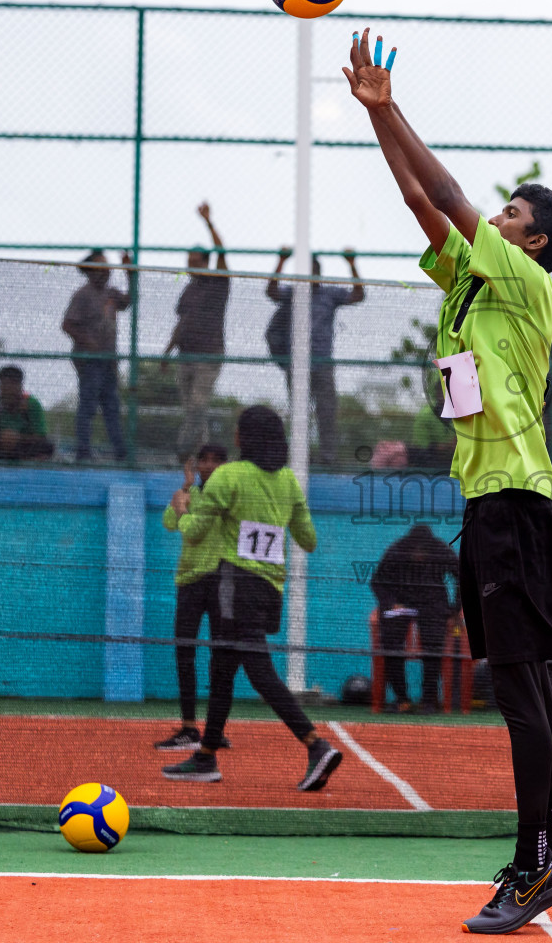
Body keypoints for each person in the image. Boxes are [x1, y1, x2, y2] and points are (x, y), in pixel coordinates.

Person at [345, 27, 552, 931]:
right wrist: (377, 118)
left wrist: (394, 106)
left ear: (536, 241)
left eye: (513, 212)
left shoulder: (526, 283)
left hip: (516, 501)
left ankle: (536, 865)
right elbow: (421, 199)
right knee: (516, 683)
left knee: (519, 686)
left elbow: (446, 193)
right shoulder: (472, 284)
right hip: (491, 503)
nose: (499, 216)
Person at [161, 407, 341, 790]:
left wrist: (181, 510)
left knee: (259, 672)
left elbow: (193, 533)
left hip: (233, 586)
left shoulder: (229, 476)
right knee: (222, 670)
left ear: (242, 438)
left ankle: (315, 744)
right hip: (270, 591)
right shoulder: (289, 482)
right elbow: (309, 540)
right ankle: (206, 757)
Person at [155, 442, 230, 752]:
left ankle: (214, 731)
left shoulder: (226, 496)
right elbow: (170, 523)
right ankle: (188, 728)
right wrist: (184, 490)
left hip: (220, 581)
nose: (209, 466)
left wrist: (183, 513)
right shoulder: (191, 493)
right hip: (189, 582)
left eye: (216, 461)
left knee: (221, 658)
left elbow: (192, 530)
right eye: (204, 460)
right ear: (197, 465)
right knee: (184, 653)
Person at [266, 249, 364, 466]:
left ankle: (327, 458)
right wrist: (281, 261)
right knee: (299, 412)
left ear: (318, 273)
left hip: (322, 362)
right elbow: (271, 291)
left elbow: (358, 295)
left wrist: (352, 264)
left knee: (326, 411)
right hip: (297, 364)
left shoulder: (330, 294)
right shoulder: (294, 293)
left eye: (311, 271)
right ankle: (299, 457)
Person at [165, 203, 231, 462]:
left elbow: (222, 251)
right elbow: (182, 323)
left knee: (198, 405)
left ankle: (182, 452)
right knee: (192, 411)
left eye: (195, 262)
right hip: (185, 355)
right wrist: (167, 351)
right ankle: (203, 458)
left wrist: (209, 222)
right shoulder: (189, 289)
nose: (191, 266)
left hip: (208, 355)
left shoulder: (218, 282)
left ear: (206, 263)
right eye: (188, 262)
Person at [371, 524, 459, 713]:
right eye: (415, 550)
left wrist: (454, 610)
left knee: (433, 646)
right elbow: (377, 580)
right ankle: (401, 699)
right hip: (402, 603)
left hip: (433, 604)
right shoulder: (396, 550)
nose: (418, 554)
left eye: (423, 551)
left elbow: (463, 578)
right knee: (391, 642)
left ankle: (428, 700)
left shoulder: (442, 550)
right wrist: (390, 603)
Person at [62, 249, 134, 462]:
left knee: (111, 405)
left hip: (108, 360)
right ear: (91, 271)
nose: (107, 271)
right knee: (88, 404)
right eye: (101, 267)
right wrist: (89, 343)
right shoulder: (83, 295)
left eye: (108, 267)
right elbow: (67, 324)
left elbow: (128, 301)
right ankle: (83, 451)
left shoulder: (110, 293)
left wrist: (130, 272)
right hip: (90, 360)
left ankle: (120, 451)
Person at [0, 366, 54, 461]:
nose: (9, 389)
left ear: (20, 386)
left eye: (13, 384)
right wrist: (2, 437)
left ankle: (29, 462)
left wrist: (18, 438)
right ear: (0, 386)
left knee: (47, 446)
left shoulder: (33, 405)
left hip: (22, 446)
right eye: (5, 384)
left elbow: (41, 436)